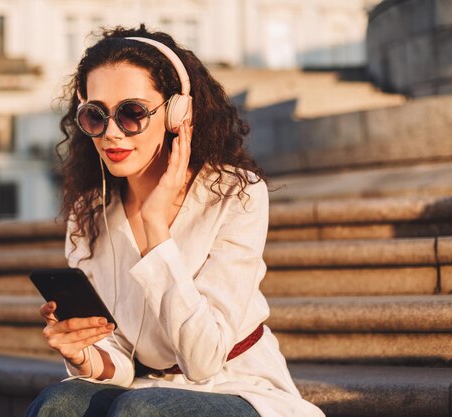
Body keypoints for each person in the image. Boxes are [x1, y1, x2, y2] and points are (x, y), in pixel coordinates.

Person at [25, 25, 325, 417]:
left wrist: (155, 227)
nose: (112, 134)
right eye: (95, 116)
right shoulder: (90, 213)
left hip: (236, 387)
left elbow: (203, 359)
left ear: (175, 113)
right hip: (139, 388)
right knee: (58, 403)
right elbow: (121, 355)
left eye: (131, 113)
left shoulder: (237, 193)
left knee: (142, 410)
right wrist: (85, 354)